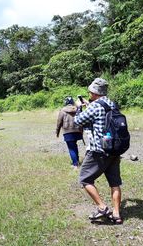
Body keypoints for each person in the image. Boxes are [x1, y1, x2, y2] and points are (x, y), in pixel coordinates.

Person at [74, 78, 123, 225]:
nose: (89, 93)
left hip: (98, 150)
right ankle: (117, 215)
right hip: (114, 149)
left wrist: (78, 108)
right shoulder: (112, 104)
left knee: (85, 179)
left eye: (90, 91)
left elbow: (78, 121)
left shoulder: (94, 106)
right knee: (114, 182)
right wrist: (90, 106)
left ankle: (102, 208)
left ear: (94, 92)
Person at [56, 96, 83, 169]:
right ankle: (76, 161)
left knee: (71, 148)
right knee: (74, 146)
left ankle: (75, 164)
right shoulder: (77, 109)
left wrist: (57, 132)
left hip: (67, 131)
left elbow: (59, 122)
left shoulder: (62, 110)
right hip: (77, 131)